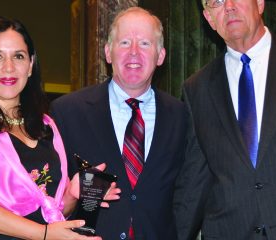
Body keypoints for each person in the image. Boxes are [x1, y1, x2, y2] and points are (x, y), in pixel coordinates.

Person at [0, 16, 120, 240]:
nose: (9, 67)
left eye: (19, 56)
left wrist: (72, 194)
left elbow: (50, 212)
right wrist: (43, 233)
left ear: (30, 66)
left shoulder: (45, 126)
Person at [50, 6, 186, 240]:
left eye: (144, 43)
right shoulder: (66, 112)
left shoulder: (181, 116)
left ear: (161, 55)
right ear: (108, 52)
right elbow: (49, 198)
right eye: (124, 43)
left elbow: (189, 193)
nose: (134, 52)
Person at [174, 0, 276, 239]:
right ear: (209, 18)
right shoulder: (196, 88)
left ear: (259, 3)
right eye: (216, 2)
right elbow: (193, 183)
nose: (228, 6)